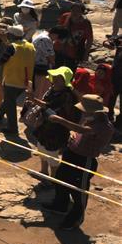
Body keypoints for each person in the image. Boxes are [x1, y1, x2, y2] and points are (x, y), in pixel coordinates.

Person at [42, 94, 113, 230]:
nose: (83, 112)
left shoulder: (104, 126)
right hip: (72, 153)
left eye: (85, 109)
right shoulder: (90, 118)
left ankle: (75, 218)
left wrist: (60, 120)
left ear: (94, 111)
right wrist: (73, 133)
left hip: (84, 159)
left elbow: (84, 130)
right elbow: (78, 129)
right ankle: (60, 205)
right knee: (61, 179)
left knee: (79, 190)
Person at [27, 67, 80, 180]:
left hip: (57, 129)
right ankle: (44, 172)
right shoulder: (52, 89)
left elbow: (52, 108)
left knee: (52, 154)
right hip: (45, 126)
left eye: (59, 78)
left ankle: (53, 179)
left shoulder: (67, 95)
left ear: (65, 80)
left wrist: (34, 100)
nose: (55, 79)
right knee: (41, 148)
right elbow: (45, 103)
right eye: (55, 76)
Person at [0, 25, 35, 136]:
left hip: (12, 80)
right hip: (25, 80)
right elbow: (17, 52)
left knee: (10, 105)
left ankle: (12, 128)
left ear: (11, 35)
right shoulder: (30, 46)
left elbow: (1, 61)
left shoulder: (12, 47)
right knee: (9, 100)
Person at [31, 27, 55, 98]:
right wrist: (54, 63)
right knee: (39, 91)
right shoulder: (45, 39)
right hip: (41, 67)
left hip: (39, 66)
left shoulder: (42, 35)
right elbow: (49, 55)